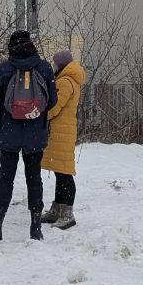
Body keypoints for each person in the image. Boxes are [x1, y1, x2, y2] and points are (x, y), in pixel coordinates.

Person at [0, 30, 57, 242]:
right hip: (35, 134)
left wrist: (10, 111)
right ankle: (35, 227)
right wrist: (34, 111)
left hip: (9, 134)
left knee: (6, 179)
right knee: (34, 179)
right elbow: (52, 101)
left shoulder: (5, 68)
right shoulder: (44, 67)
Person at [41, 50, 86, 230]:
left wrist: (41, 116)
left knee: (65, 173)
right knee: (61, 171)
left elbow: (54, 106)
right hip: (62, 131)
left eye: (55, 63)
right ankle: (58, 208)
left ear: (61, 65)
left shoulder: (65, 82)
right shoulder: (68, 80)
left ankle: (67, 214)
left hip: (61, 131)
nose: (53, 66)